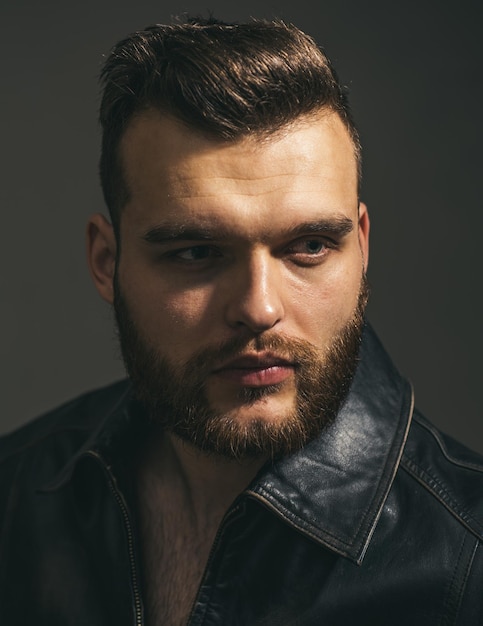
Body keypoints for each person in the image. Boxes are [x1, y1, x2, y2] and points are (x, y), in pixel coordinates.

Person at [1, 15, 482, 626]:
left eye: (309, 246)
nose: (259, 307)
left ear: (361, 249)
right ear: (107, 261)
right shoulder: (17, 497)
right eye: (196, 253)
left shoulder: (467, 561)